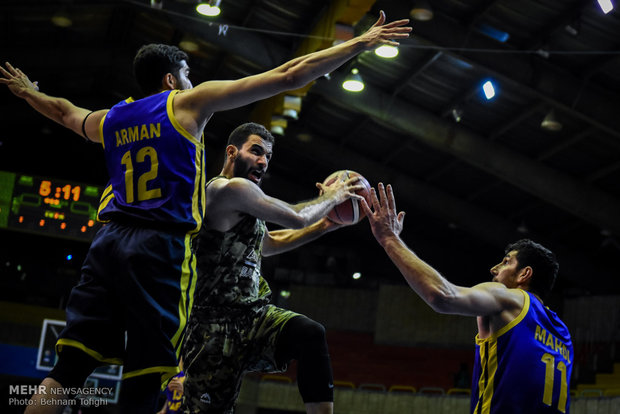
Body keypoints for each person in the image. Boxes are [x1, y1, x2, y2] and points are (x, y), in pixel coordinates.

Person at [0, 12, 410, 414]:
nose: (192, 80)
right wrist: (360, 42)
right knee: (145, 378)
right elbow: (289, 75)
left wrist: (28, 92)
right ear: (171, 79)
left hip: (108, 242)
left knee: (69, 368)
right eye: (188, 72)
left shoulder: (112, 119)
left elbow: (64, 112)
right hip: (158, 246)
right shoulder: (187, 105)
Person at [181, 122, 362, 414]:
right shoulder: (228, 189)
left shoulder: (247, 202)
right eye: (256, 151)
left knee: (310, 333)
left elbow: (269, 243)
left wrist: (325, 226)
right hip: (212, 330)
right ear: (232, 152)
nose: (263, 161)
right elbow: (295, 217)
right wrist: (333, 197)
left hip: (254, 317)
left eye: (268, 156)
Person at [361, 183, 573, 414]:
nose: (494, 268)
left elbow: (441, 295)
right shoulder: (563, 334)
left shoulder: (511, 298)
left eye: (506, 262)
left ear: (524, 274)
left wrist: (389, 239)